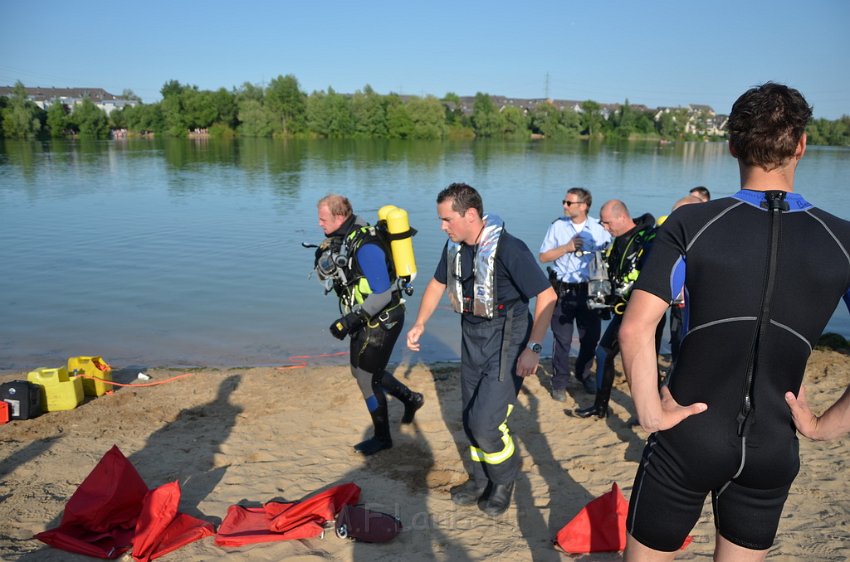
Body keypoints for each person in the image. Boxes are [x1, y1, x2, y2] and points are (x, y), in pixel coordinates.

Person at [619, 83, 850, 561]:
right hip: (773, 442)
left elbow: (636, 328)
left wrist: (650, 412)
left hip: (688, 436)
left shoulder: (691, 224)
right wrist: (826, 426)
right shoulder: (841, 239)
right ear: (802, 145)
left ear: (731, 145)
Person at [406, 182, 557, 517]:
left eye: (447, 219)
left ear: (470, 214)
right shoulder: (456, 248)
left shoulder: (510, 249)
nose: (442, 226)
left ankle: (503, 481)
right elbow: (437, 284)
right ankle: (479, 480)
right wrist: (420, 323)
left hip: (507, 337)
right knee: (469, 416)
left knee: (486, 423)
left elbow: (547, 297)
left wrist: (533, 347)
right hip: (472, 335)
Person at [314, 194, 424, 456]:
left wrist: (349, 320)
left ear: (340, 217)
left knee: (366, 378)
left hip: (383, 318)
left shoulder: (366, 247)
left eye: (323, 219)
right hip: (368, 316)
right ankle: (411, 399)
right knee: (360, 372)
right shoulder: (346, 237)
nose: (319, 224)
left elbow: (383, 294)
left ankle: (382, 438)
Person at [573, 200, 659, 419]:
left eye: (607, 222)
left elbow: (653, 275)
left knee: (644, 364)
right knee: (603, 353)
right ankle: (600, 408)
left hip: (647, 315)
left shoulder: (648, 239)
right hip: (623, 312)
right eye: (602, 223)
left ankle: (651, 411)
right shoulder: (615, 243)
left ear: (622, 217)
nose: (604, 227)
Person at [539, 187, 612, 399]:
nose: (564, 205)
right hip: (563, 290)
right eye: (564, 201)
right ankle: (559, 382)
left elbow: (609, 257)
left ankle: (583, 374)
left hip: (590, 291)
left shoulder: (600, 228)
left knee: (590, 338)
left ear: (583, 206)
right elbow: (543, 257)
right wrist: (566, 247)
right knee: (561, 339)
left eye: (568, 203)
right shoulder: (557, 227)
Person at [665, 194, 706, 364]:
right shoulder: (673, 244)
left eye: (677, 216)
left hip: (699, 311)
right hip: (677, 308)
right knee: (676, 347)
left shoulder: (710, 247)